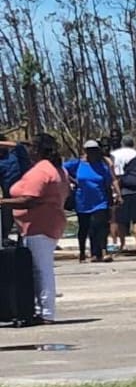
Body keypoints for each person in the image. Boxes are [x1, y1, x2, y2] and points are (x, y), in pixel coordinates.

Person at [0, 135, 68, 323]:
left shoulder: (41, 170)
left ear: (37, 150)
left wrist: (2, 202)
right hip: (45, 223)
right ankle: (39, 308)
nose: (28, 150)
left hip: (40, 225)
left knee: (41, 269)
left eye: (31, 147)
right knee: (39, 268)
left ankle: (46, 312)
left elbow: (29, 199)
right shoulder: (56, 168)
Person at [65, 140, 121, 263]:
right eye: (90, 150)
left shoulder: (102, 166)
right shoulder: (78, 163)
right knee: (84, 228)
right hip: (83, 202)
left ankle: (101, 252)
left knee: (99, 226)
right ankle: (83, 252)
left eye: (95, 150)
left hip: (100, 201)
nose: (93, 153)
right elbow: (62, 168)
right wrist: (72, 180)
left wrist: (115, 197)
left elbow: (109, 182)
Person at [112, 135, 136, 251]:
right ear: (132, 143)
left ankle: (122, 244)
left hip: (122, 191)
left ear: (122, 143)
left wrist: (117, 193)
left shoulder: (115, 154)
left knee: (122, 220)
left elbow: (115, 175)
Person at [0, 139, 31, 245]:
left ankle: (22, 241)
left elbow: (18, 145)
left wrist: (1, 142)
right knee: (6, 218)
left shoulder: (16, 155)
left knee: (24, 219)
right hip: (8, 196)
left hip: (25, 194)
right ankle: (4, 237)